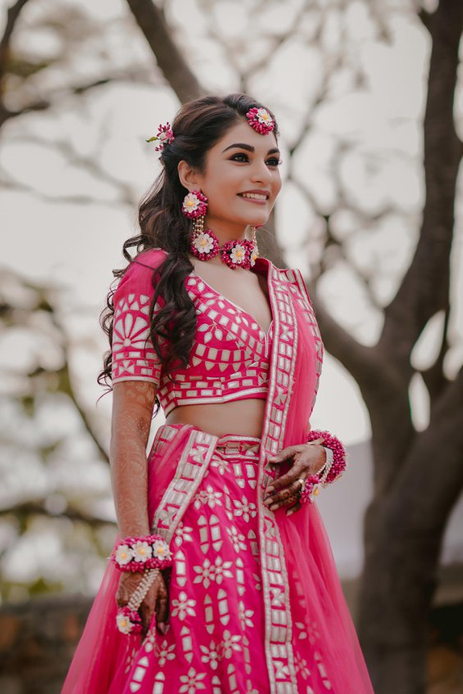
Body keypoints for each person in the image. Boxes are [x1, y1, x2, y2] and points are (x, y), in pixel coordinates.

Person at [62, 93, 375, 694]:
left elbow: (287, 418)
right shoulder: (157, 275)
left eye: (273, 160)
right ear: (189, 173)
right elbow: (130, 426)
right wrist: (138, 551)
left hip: (281, 520)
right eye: (241, 157)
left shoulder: (286, 288)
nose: (263, 176)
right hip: (196, 512)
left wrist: (318, 454)